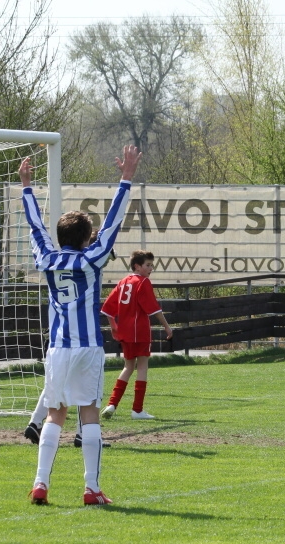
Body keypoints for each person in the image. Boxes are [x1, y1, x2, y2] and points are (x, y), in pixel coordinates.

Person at [22, 145, 142, 506]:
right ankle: (91, 488)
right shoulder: (92, 259)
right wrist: (125, 180)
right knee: (88, 411)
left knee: (55, 414)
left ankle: (40, 483)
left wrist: (27, 188)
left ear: (61, 237)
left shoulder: (46, 258)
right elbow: (114, 223)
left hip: (58, 348)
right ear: (87, 237)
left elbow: (34, 226)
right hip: (87, 346)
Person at [23, 234, 114, 449]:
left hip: (61, 333)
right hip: (79, 335)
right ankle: (82, 434)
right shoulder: (87, 264)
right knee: (84, 390)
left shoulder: (59, 263)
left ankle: (36, 423)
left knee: (58, 386)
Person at [99, 250, 173, 420]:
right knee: (142, 367)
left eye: (152, 265)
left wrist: (114, 327)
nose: (151, 268)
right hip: (139, 332)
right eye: (148, 265)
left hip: (125, 332)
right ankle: (137, 410)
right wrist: (167, 327)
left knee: (128, 367)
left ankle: (112, 404)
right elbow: (154, 308)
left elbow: (107, 308)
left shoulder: (123, 282)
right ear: (137, 266)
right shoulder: (143, 282)